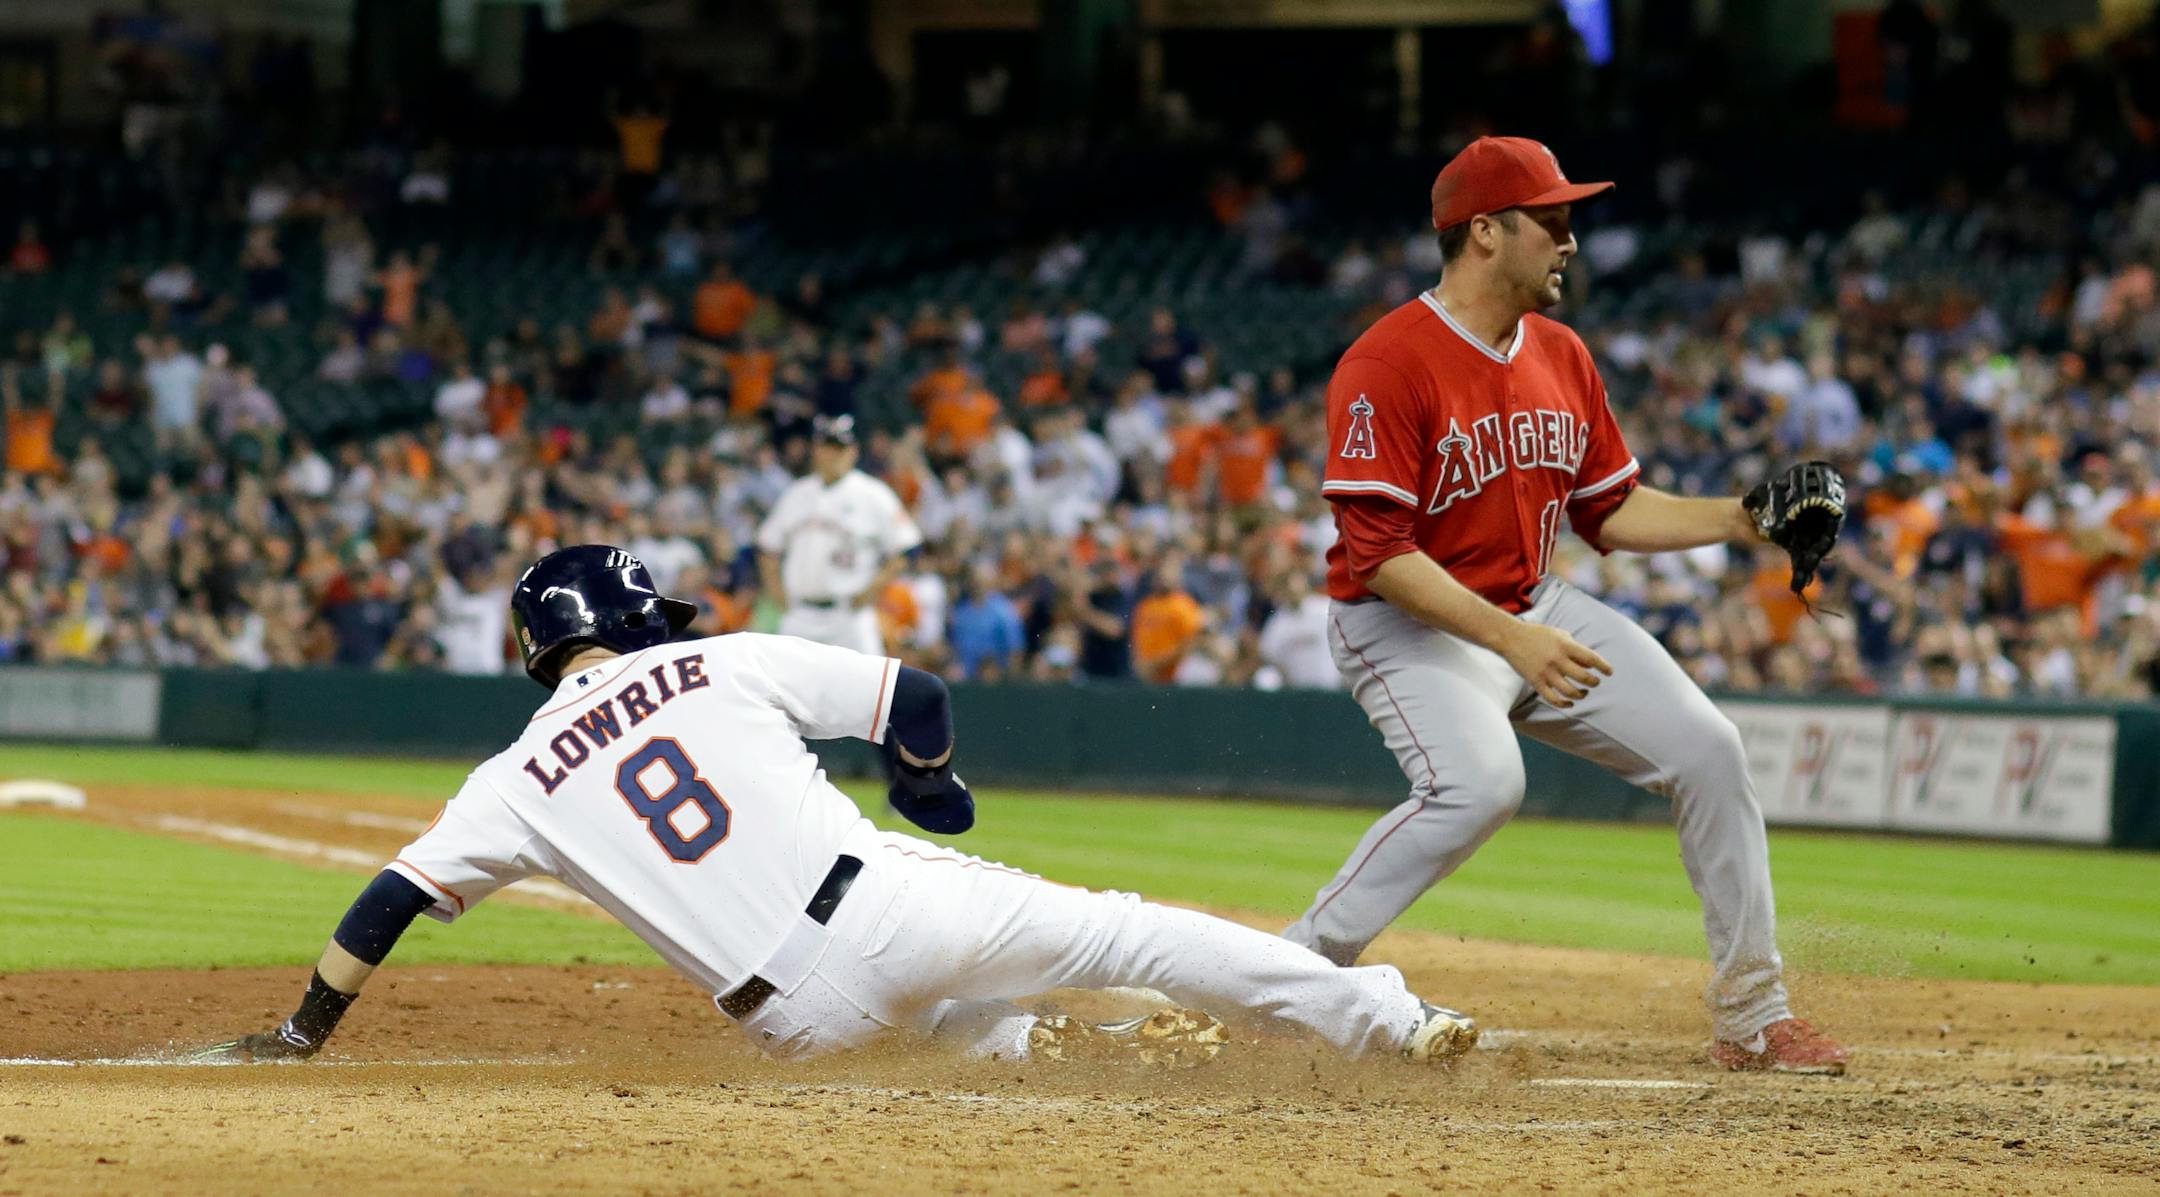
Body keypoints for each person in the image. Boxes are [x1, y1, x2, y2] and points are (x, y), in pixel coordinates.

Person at [188, 545, 1480, 1066]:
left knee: (972, 1046)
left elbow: (387, 900)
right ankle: (1383, 1016)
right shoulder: (716, 657)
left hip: (793, 1021)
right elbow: (910, 691)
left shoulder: (512, 776)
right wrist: (928, 780)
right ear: (636, 615)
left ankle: (1065, 1054)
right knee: (1130, 933)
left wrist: (305, 1032)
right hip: (888, 903)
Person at [1285, 137, 1848, 1075]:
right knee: (1481, 784)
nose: (1570, 239)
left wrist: (1747, 520)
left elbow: (1610, 511)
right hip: (1410, 623)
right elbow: (1381, 555)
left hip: (1529, 604)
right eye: (1550, 220)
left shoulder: (1560, 352)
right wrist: (1516, 639)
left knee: (1711, 751)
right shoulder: (1389, 362)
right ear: (1484, 234)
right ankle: (1297, 969)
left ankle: (1753, 1014)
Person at [756, 415, 924, 655]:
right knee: (789, 690)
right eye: (827, 447)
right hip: (799, 614)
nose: (833, 455)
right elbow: (767, 547)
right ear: (816, 450)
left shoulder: (873, 494)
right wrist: (778, 594)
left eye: (840, 448)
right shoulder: (797, 494)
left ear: (853, 451)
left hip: (849, 617)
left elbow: (908, 547)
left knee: (865, 688)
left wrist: (872, 591)